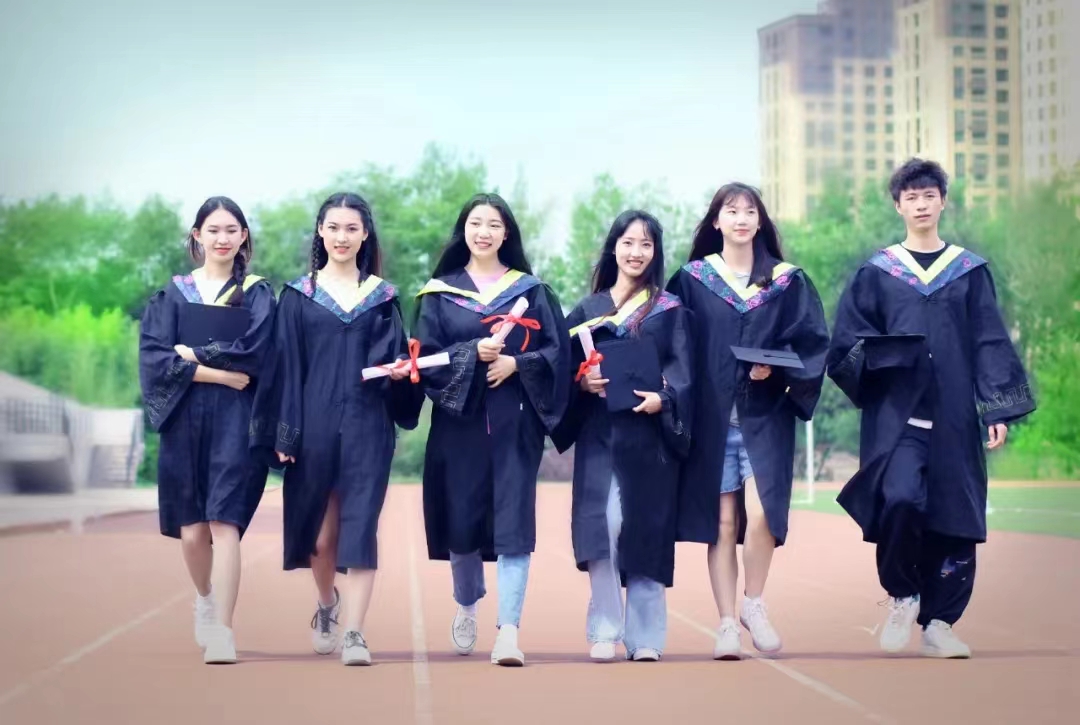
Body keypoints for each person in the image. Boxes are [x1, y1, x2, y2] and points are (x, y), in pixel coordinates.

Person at [827, 158, 1035, 658]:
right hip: (899, 420)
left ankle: (941, 623)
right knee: (898, 498)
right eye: (911, 197)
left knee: (954, 517)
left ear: (943, 202)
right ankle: (904, 594)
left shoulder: (969, 271)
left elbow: (989, 339)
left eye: (929, 195)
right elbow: (848, 342)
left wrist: (997, 408)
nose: (920, 204)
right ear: (898, 206)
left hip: (955, 419)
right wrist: (881, 360)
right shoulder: (878, 273)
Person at [667, 183, 829, 660]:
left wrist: (776, 367)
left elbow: (811, 343)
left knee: (762, 515)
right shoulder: (693, 280)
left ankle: (753, 603)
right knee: (721, 522)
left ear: (760, 221)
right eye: (731, 211)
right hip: (712, 422)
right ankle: (725, 623)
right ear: (715, 221)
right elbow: (673, 344)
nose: (740, 219)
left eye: (749, 211)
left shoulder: (785, 281)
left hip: (765, 417)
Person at [414, 193, 571, 666]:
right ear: (464, 230)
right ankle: (467, 603)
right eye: (476, 223)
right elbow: (427, 358)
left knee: (514, 523)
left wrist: (516, 363)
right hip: (459, 425)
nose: (483, 232)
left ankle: (509, 631)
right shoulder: (439, 293)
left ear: (507, 234)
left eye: (494, 224)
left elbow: (558, 352)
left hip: (514, 423)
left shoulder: (533, 291)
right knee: (461, 525)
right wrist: (473, 355)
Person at [274, 192, 422, 666]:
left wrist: (399, 374)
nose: (342, 237)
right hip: (313, 424)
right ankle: (327, 604)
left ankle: (355, 632)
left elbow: (396, 357)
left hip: (367, 424)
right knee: (321, 538)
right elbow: (285, 369)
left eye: (351, 229)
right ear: (320, 231)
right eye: (334, 227)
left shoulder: (382, 297)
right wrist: (285, 433)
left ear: (365, 234)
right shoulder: (298, 296)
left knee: (360, 530)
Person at [138, 196, 277, 664]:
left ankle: (223, 629)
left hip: (237, 419)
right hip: (184, 418)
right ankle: (204, 597)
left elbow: (257, 352)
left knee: (225, 521)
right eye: (213, 230)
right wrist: (219, 374)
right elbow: (156, 360)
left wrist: (192, 354)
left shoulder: (258, 293)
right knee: (193, 531)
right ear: (197, 235)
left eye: (231, 230)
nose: (222, 238)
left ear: (243, 237)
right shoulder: (174, 294)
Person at [553, 210, 693, 662]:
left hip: (650, 439)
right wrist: (581, 383)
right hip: (600, 434)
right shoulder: (586, 311)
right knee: (604, 523)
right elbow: (562, 372)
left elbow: (684, 373)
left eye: (646, 244)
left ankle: (646, 636)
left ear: (656, 252)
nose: (636, 252)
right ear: (614, 247)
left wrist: (664, 399)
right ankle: (605, 627)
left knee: (646, 529)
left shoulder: (668, 309)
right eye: (628, 242)